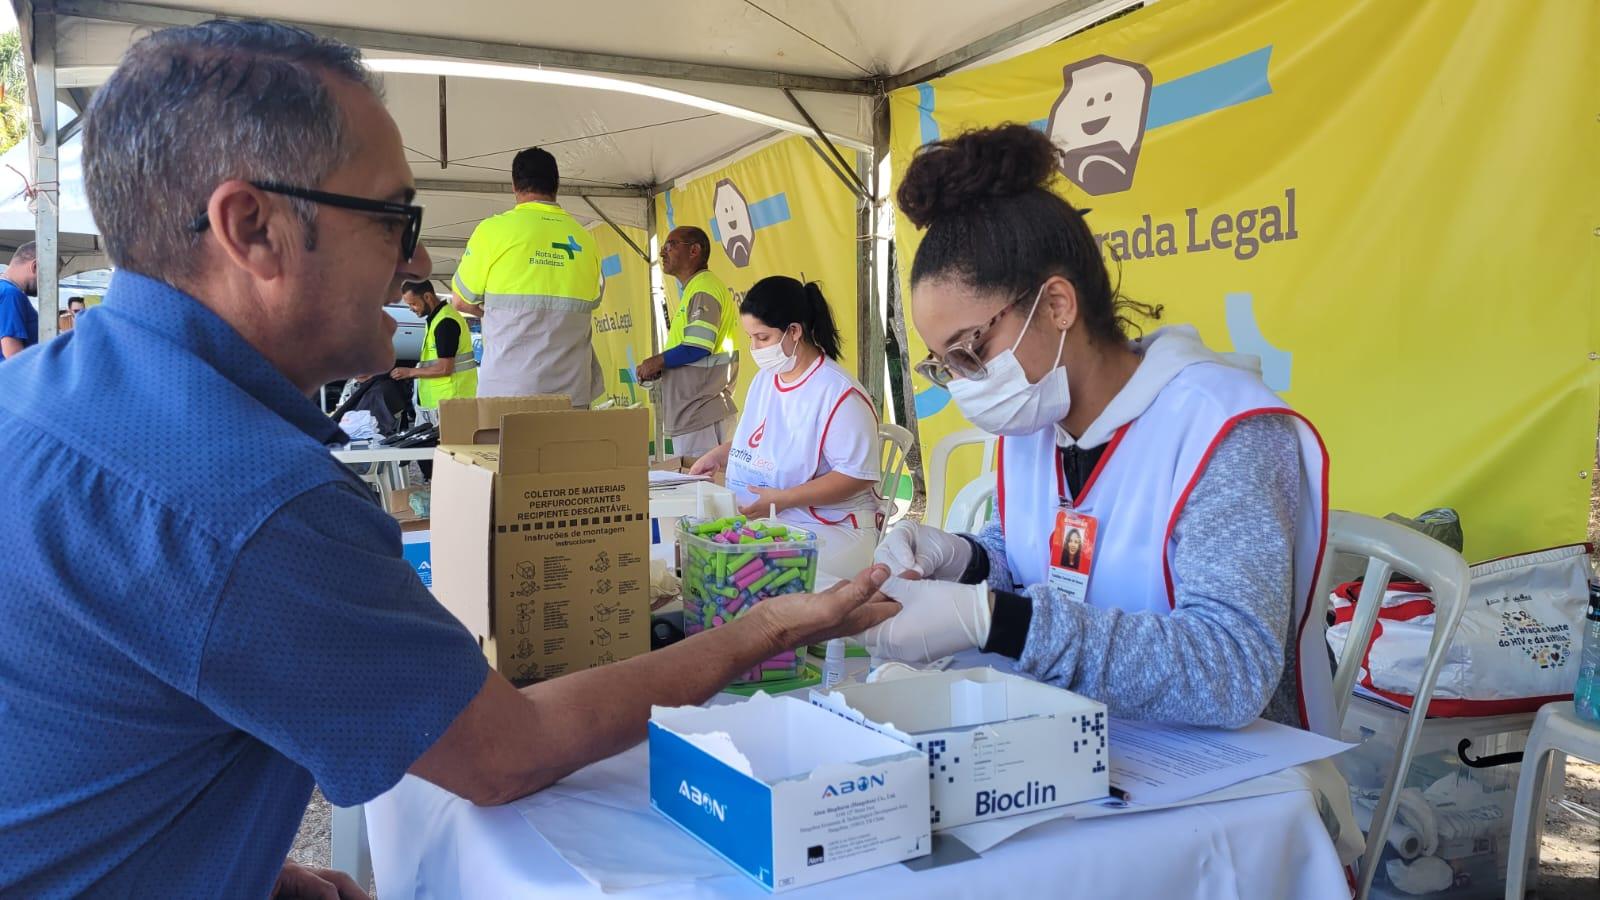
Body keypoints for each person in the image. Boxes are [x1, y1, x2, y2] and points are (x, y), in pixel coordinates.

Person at [0, 21, 897, 898]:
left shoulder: (36, 400)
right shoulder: (252, 499)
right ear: (252, 227)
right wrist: (764, 629)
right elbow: (506, 754)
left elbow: (81, 732)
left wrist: (225, 864)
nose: (420, 260)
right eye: (396, 218)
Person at [865, 124, 1335, 734]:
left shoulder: (1222, 429)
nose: (964, 382)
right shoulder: (1035, 423)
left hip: (1222, 778)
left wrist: (996, 620)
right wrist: (964, 562)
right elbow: (1036, 562)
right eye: (945, 365)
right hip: (1076, 741)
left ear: (1057, 304)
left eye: (972, 350)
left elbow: (1233, 668)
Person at [689, 276, 881, 576]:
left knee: (741, 572)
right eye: (750, 337)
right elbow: (760, 441)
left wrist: (783, 500)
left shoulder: (837, 393)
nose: (754, 348)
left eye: (762, 338)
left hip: (831, 527)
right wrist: (718, 455)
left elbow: (857, 476)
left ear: (794, 331)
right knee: (701, 555)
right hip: (773, 521)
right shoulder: (765, 380)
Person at [451, 147, 604, 406]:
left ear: (514, 185)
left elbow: (460, 300)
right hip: (571, 394)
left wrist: (487, 312)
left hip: (507, 391)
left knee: (505, 448)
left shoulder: (494, 231)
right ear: (557, 184)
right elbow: (594, 298)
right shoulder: (584, 240)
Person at [635, 226, 738, 457]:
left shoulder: (703, 289)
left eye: (670, 245)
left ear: (694, 251)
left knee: (704, 485)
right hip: (697, 411)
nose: (663, 252)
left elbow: (697, 346)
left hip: (701, 412)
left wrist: (657, 361)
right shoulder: (695, 289)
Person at [391, 277, 477, 423]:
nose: (411, 309)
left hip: (451, 403)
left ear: (427, 297)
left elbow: (445, 368)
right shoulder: (436, 319)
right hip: (441, 403)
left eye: (413, 303)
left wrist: (410, 372)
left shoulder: (445, 323)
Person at [0, 241, 38, 358]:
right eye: (52, 275)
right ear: (35, 266)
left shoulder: (4, 289)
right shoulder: (11, 294)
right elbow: (13, 353)